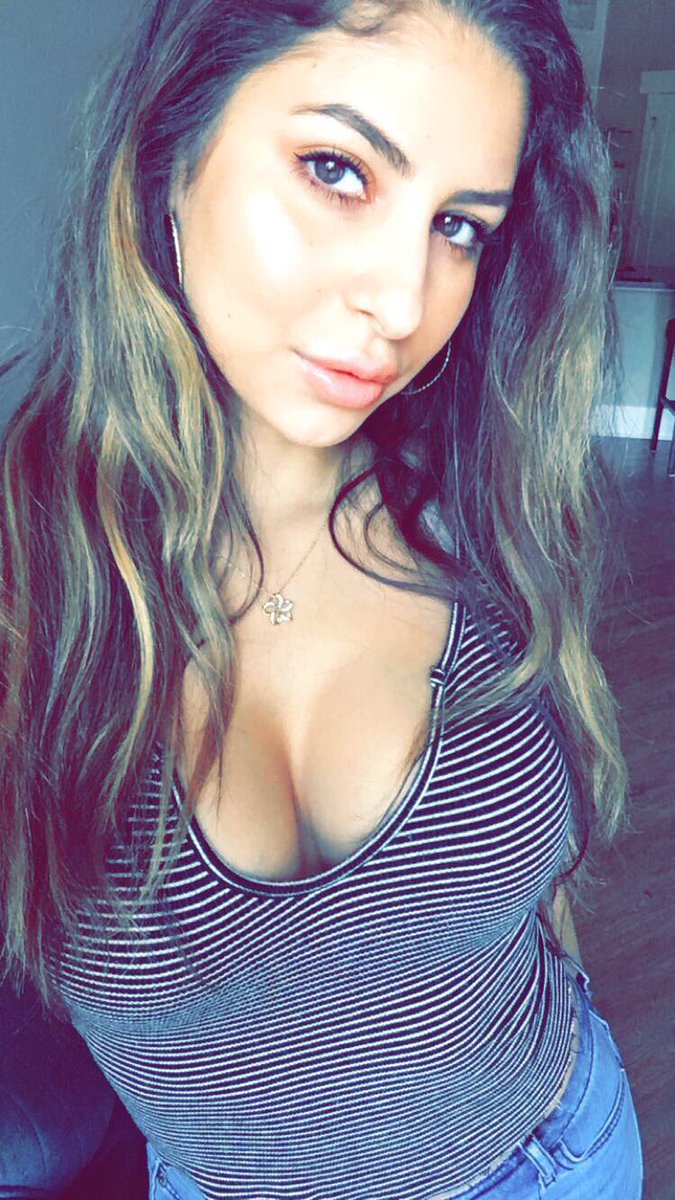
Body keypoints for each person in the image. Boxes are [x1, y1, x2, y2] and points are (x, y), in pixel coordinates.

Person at [0, 1, 644, 1198]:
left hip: (554, 1155)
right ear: (174, 149)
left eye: (458, 226)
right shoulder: (22, 584)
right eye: (337, 170)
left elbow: (536, 903)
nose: (403, 303)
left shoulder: (485, 500)